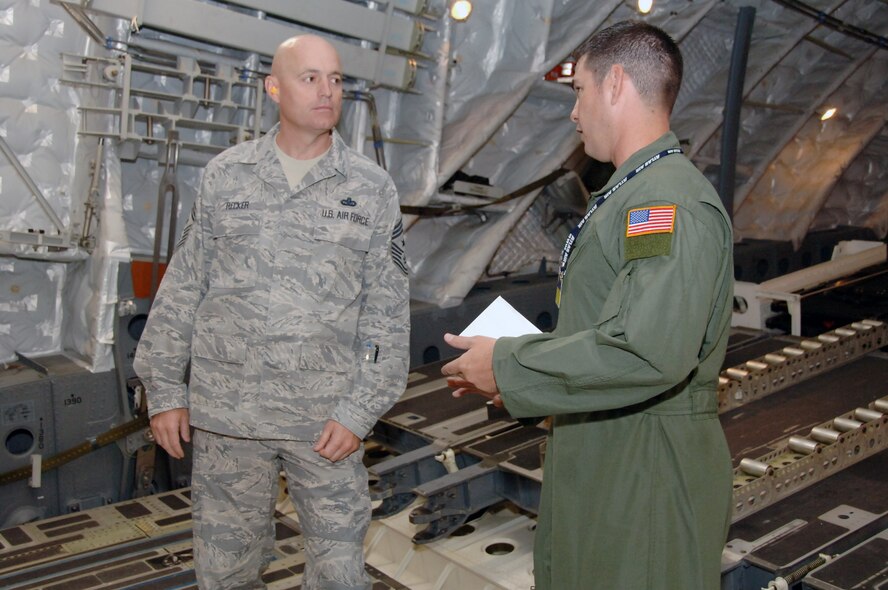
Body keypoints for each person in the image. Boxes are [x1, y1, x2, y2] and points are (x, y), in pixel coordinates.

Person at [441, 21, 734, 589]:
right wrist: (524, 374)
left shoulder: (666, 203)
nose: (574, 114)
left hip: (645, 473)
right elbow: (609, 327)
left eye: (579, 90)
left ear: (615, 84)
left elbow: (646, 351)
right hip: (609, 456)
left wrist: (510, 366)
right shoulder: (632, 193)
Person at [134, 34, 410, 590]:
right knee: (226, 574)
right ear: (273, 87)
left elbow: (387, 314)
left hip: (325, 422)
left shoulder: (370, 189)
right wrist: (163, 390)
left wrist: (359, 411)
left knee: (339, 575)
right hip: (228, 420)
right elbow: (184, 286)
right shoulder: (227, 175)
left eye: (336, 80)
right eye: (310, 78)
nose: (327, 91)